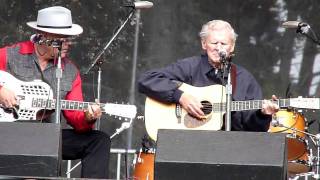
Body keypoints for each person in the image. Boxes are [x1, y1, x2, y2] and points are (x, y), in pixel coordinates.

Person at [0, 6, 110, 178]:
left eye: (69, 39)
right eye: (62, 40)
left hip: (47, 139)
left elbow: (76, 118)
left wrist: (88, 117)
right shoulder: (11, 55)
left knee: (99, 141)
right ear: (43, 37)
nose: (68, 44)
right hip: (8, 135)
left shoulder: (70, 71)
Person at [138, 20, 279, 132]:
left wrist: (263, 115)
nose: (218, 47)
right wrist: (180, 96)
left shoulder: (244, 79)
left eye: (223, 43)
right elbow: (146, 79)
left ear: (232, 47)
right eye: (214, 42)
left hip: (230, 151)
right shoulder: (190, 67)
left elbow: (254, 130)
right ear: (204, 44)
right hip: (188, 147)